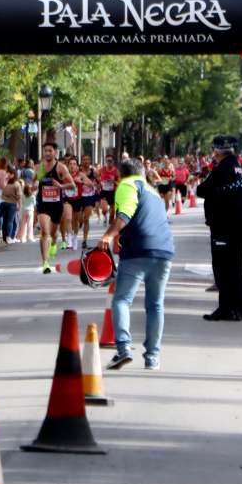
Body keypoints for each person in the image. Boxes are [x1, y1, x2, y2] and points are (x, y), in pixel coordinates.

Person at [99, 157, 174, 371]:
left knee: (122, 300)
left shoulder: (126, 185)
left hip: (137, 250)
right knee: (155, 304)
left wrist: (108, 236)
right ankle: (153, 357)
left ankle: (123, 349)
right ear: (143, 172)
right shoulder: (153, 191)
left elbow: (125, 213)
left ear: (120, 175)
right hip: (164, 250)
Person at [197, 136, 242, 322]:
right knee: (237, 266)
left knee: (223, 267)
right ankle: (241, 309)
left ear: (217, 151)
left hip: (223, 225)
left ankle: (226, 309)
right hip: (239, 224)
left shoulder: (221, 169)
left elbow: (202, 190)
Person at [35, 142, 74, 273]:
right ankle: (45, 262)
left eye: (50, 151)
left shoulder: (60, 168)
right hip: (43, 203)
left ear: (55, 152)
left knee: (53, 233)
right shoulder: (39, 167)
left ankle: (53, 243)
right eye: (45, 151)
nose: (47, 153)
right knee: (44, 232)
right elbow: (34, 182)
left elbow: (72, 185)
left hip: (57, 204)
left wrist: (61, 186)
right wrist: (30, 187)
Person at [0, 170, 24, 244]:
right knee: (8, 221)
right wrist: (19, 205)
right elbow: (19, 196)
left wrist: (19, 205)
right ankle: (6, 237)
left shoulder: (13, 183)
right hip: (8, 203)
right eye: (7, 173)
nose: (8, 175)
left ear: (13, 174)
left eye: (10, 173)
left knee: (7, 220)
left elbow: (19, 196)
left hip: (8, 203)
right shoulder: (13, 183)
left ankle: (6, 237)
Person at [97, 153, 119, 224]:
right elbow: (97, 178)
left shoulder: (116, 171)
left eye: (110, 161)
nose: (109, 162)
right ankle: (105, 215)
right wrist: (99, 183)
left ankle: (110, 221)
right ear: (105, 161)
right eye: (107, 161)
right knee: (104, 209)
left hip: (113, 192)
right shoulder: (102, 170)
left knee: (112, 212)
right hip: (104, 191)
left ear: (113, 162)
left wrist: (114, 181)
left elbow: (120, 183)